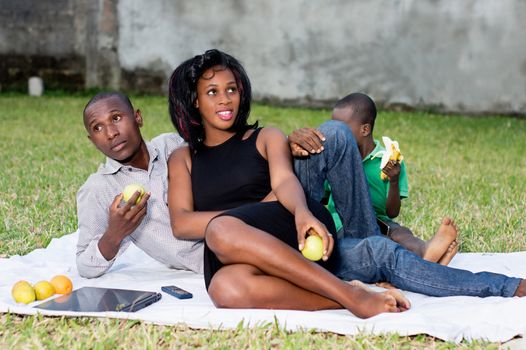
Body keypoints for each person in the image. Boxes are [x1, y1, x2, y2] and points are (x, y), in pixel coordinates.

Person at [167, 49, 526, 318]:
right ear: (194, 101)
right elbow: (182, 223)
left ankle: (504, 285)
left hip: (297, 230)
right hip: (244, 255)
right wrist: (249, 214)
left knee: (377, 248)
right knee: (224, 287)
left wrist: (301, 212)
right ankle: (352, 294)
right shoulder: (182, 159)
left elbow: (286, 181)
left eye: (231, 89)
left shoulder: (265, 137)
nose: (225, 98)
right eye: (211, 92)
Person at [76, 92, 204, 278]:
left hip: (235, 227)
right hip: (209, 262)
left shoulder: (172, 145)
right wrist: (114, 234)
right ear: (92, 141)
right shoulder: (98, 189)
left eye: (116, 118)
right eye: (98, 128)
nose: (111, 133)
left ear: (138, 117)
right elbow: (84, 266)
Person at [327, 92, 458, 265]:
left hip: (378, 220)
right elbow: (320, 196)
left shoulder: (388, 160)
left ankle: (425, 250)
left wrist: (394, 181)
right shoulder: (336, 158)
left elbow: (392, 213)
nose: (336, 134)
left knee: (400, 233)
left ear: (365, 129)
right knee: (380, 242)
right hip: (341, 222)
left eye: (342, 128)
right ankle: (424, 265)